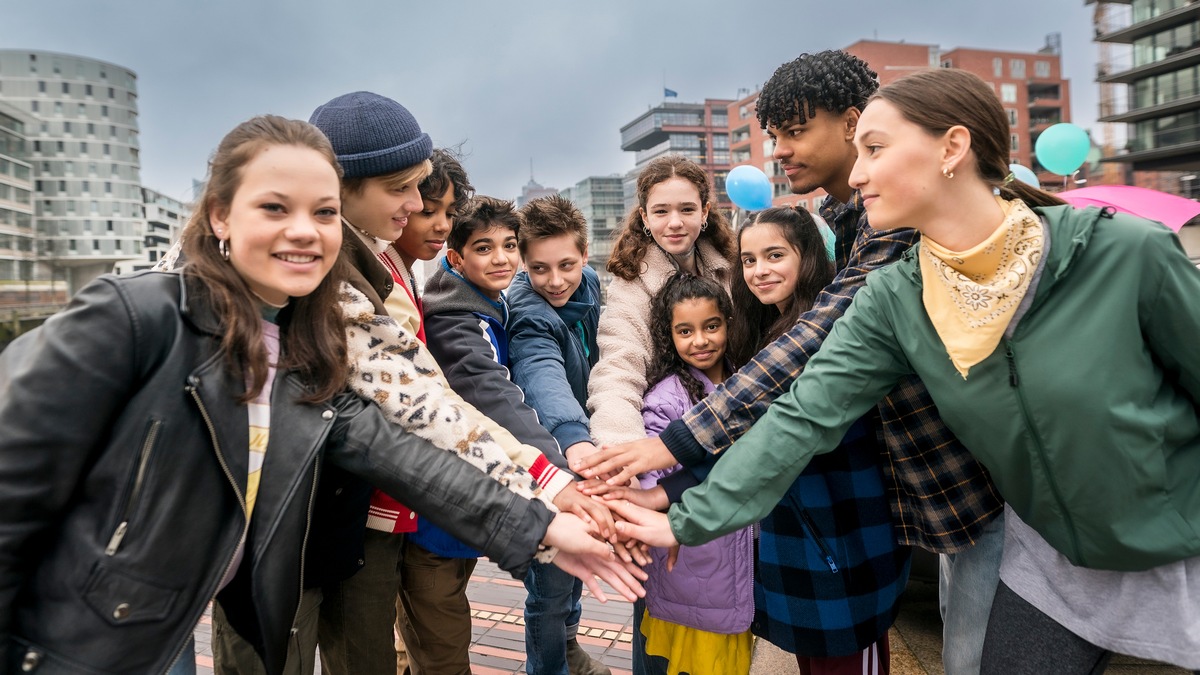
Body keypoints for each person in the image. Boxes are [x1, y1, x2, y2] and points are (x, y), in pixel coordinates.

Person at [0, 115, 644, 675]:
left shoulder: (311, 338)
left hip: (177, 614)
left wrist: (547, 525)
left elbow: (406, 446)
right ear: (221, 213)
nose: (305, 231)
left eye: (324, 212)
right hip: (73, 636)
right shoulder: (133, 317)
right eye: (275, 209)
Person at [610, 68, 1200, 674]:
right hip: (1048, 562)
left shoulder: (1127, 252)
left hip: (1178, 546)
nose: (858, 172)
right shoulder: (894, 293)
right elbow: (804, 414)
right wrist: (686, 518)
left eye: (875, 149)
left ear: (952, 147)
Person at [574, 51, 1005, 675]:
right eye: (773, 135)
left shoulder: (896, 229)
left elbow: (807, 362)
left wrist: (669, 452)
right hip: (904, 506)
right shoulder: (853, 223)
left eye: (794, 131)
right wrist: (648, 469)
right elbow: (791, 398)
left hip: (964, 491)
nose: (778, 151)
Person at [307, 93, 608, 675]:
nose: (420, 208)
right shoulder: (363, 283)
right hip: (338, 514)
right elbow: (434, 405)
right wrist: (550, 481)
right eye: (405, 192)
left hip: (379, 507)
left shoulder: (383, 266)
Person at [413, 194, 596, 675]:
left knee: (434, 625)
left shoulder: (491, 301)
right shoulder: (458, 318)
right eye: (483, 248)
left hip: (473, 493)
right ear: (456, 258)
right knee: (441, 637)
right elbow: (498, 396)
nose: (500, 258)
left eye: (508, 245)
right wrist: (557, 471)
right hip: (438, 509)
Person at [508, 195, 612, 675]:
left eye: (566, 264)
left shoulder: (589, 284)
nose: (555, 281)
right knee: (549, 584)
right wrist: (575, 439)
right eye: (539, 268)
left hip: (590, 448)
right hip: (551, 456)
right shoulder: (528, 312)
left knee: (576, 569)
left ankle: (569, 645)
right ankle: (546, 668)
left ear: (585, 254)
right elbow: (542, 373)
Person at [633, 273, 755, 675]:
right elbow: (652, 476)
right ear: (670, 336)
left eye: (711, 326)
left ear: (728, 324)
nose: (700, 340)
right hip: (691, 562)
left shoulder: (749, 378)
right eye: (685, 331)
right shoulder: (666, 397)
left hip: (734, 562)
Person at [586, 155, 736, 448]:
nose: (675, 223)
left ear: (705, 212)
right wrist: (622, 448)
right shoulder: (631, 285)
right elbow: (619, 367)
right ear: (645, 217)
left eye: (687, 209)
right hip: (667, 425)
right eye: (661, 211)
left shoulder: (731, 266)